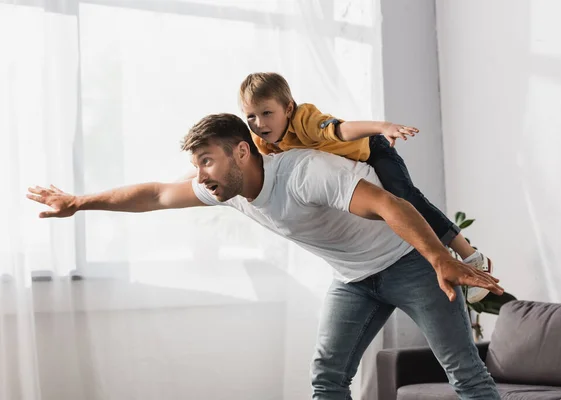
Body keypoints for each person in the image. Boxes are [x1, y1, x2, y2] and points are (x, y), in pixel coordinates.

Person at [26, 113, 503, 399]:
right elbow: (153, 194)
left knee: (463, 370)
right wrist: (78, 202)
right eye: (196, 165)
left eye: (206, 161)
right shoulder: (225, 188)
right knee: (327, 376)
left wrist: (441, 257)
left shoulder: (304, 172)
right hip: (354, 278)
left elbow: (388, 203)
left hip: (412, 261)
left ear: (241, 152)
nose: (200, 175)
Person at [238, 72, 493, 303]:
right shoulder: (262, 140)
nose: (259, 123)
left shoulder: (304, 120)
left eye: (267, 113)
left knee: (405, 197)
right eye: (251, 116)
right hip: (349, 173)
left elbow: (342, 130)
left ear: (288, 108)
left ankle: (471, 255)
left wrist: (382, 127)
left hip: (372, 150)